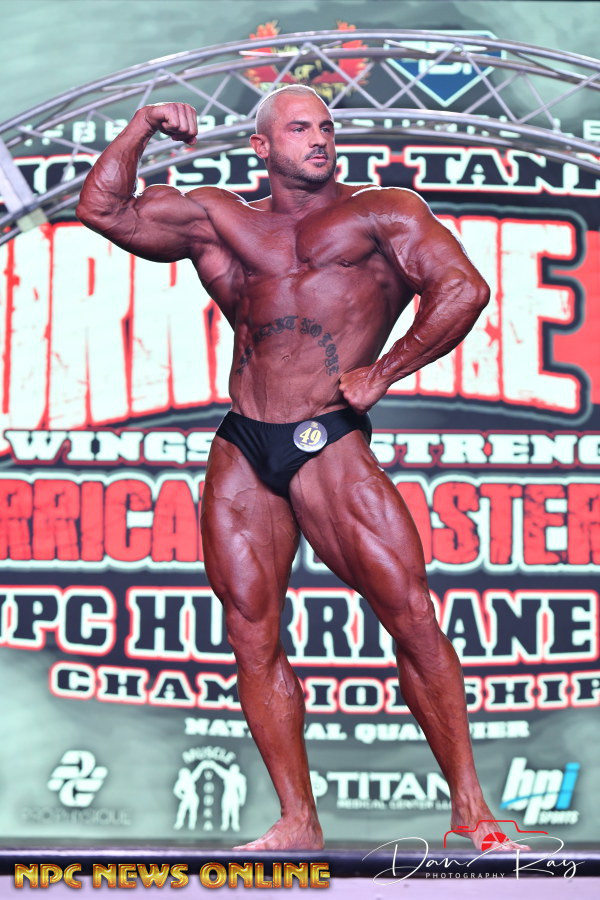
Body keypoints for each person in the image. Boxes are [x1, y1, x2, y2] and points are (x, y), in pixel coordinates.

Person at [77, 84, 518, 853]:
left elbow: (463, 288)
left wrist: (384, 371)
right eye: (300, 128)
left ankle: (474, 814)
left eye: (327, 127)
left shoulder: (381, 213)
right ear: (261, 145)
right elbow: (103, 210)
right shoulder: (221, 220)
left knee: (411, 617)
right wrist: (143, 124)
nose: (320, 138)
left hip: (328, 434)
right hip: (243, 441)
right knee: (251, 633)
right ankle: (297, 821)